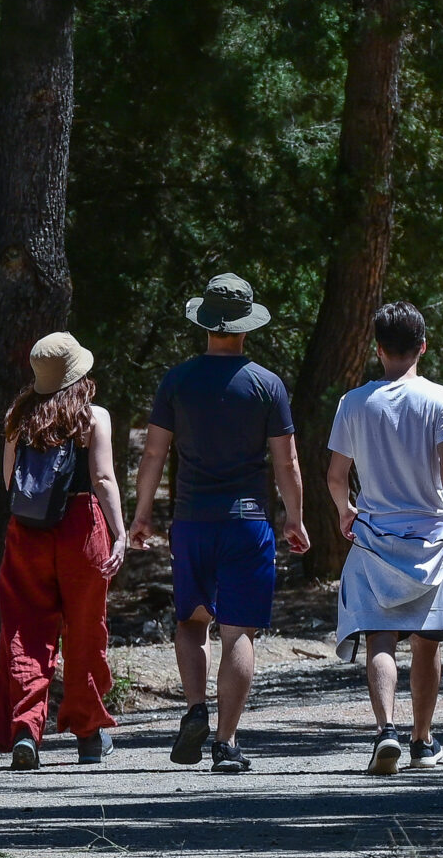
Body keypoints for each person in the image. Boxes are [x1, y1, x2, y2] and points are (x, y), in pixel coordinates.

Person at [126, 273, 310, 773]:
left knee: (190, 621)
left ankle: (194, 710)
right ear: (246, 326)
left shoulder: (177, 380)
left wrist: (141, 515)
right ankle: (226, 744)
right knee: (239, 633)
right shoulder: (266, 384)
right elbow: (287, 463)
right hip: (249, 523)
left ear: (205, 322)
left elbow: (154, 455)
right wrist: (294, 519)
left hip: (191, 519)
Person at [325, 301, 443, 775]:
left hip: (376, 538)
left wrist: (345, 512)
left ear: (377, 349)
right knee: (427, 643)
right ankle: (422, 739)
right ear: (422, 346)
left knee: (380, 638)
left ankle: (385, 732)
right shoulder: (439, 398)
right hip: (433, 540)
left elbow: (337, 474)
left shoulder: (354, 403)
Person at [0, 332, 128, 770]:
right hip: (81, 525)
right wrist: (120, 531)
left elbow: (10, 481)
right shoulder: (94, 417)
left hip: (27, 532)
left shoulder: (17, 415)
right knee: (86, 629)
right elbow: (104, 479)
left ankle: (25, 731)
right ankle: (89, 734)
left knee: (26, 629)